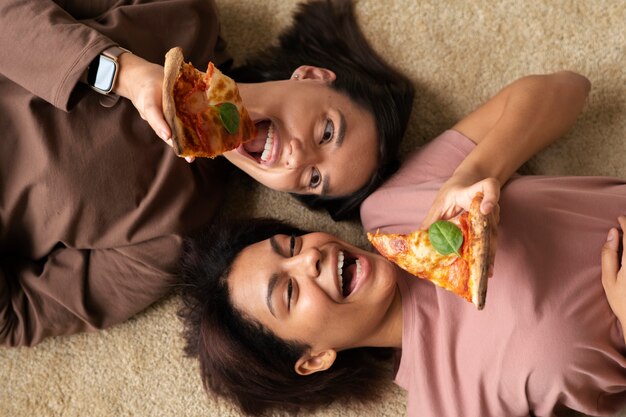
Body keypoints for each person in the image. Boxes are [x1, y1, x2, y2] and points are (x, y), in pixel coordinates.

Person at [177, 80, 626, 416]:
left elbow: (568, 90)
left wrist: (472, 173)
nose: (308, 256)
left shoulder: (390, 209)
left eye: (291, 244)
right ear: (314, 359)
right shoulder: (447, 407)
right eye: (289, 292)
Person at [0, 0, 414, 347]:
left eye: (313, 180)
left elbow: (15, 318)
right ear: (311, 77)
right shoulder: (182, 14)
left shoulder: (173, 235)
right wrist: (120, 71)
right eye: (327, 132)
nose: (298, 156)